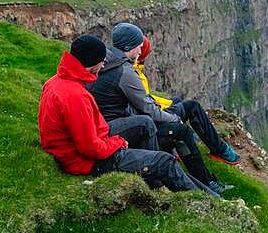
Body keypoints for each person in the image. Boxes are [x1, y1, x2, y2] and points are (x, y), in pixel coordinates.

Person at [38, 34, 213, 195]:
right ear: (92, 64)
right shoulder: (75, 96)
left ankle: (151, 177)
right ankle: (211, 203)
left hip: (89, 139)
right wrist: (117, 143)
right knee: (165, 162)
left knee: (145, 124)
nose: (104, 64)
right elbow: (90, 148)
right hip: (84, 160)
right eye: (102, 61)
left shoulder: (56, 82)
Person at [87, 25, 234, 195]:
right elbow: (148, 108)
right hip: (119, 129)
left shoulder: (106, 61)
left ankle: (204, 178)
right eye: (139, 44)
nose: (142, 48)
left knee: (178, 117)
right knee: (180, 130)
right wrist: (172, 118)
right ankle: (197, 181)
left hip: (109, 123)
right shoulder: (124, 72)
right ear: (129, 46)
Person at [114, 22, 241, 166]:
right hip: (145, 116)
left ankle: (177, 145)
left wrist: (168, 102)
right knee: (192, 106)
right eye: (141, 49)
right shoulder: (131, 73)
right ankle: (219, 150)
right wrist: (168, 107)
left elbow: (143, 96)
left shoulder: (128, 68)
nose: (140, 52)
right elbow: (145, 103)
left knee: (177, 100)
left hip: (139, 113)